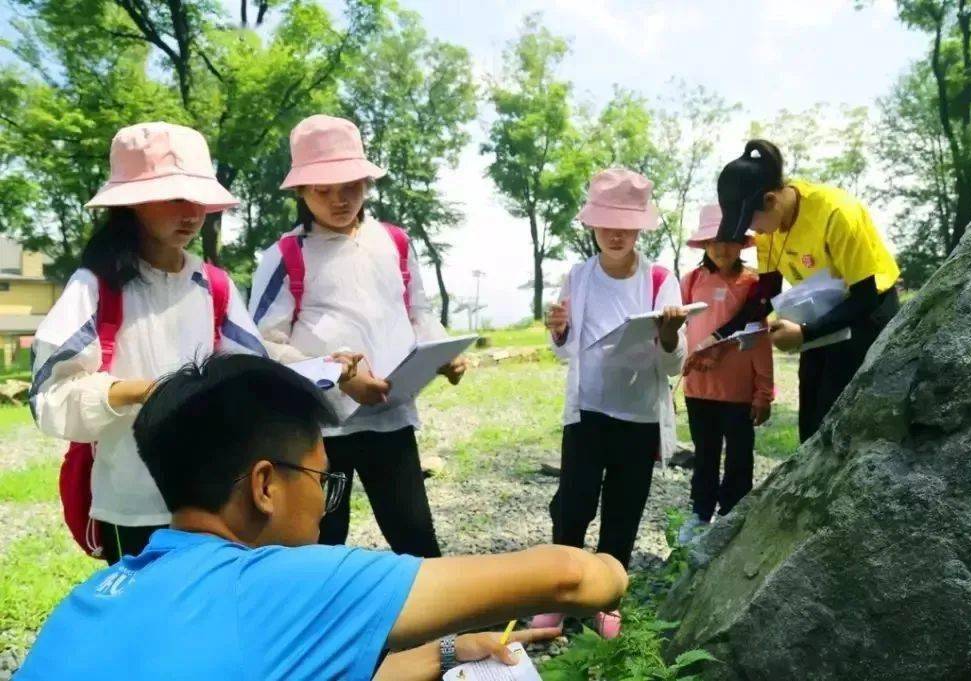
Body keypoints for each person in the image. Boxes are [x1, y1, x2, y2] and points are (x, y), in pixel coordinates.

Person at [16, 354, 628, 680]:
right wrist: (611, 567)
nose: (325, 499)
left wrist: (446, 652)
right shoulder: (280, 584)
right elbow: (575, 579)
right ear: (264, 486)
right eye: (321, 477)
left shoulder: (97, 593)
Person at [29, 122, 267, 564]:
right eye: (173, 197)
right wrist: (141, 391)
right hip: (132, 502)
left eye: (197, 198)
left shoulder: (212, 285)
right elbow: (49, 398)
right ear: (132, 203)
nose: (191, 213)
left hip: (211, 496)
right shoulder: (96, 287)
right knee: (144, 622)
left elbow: (253, 376)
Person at [249, 115, 464, 557]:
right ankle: (328, 626)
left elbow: (418, 312)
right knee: (322, 543)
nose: (338, 199)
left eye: (349, 185)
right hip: (320, 428)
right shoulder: (285, 255)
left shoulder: (395, 242)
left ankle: (434, 628)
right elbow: (262, 346)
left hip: (391, 416)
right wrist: (337, 375)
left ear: (366, 181)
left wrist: (443, 352)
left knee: (416, 538)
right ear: (300, 192)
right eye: (321, 190)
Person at [536, 168, 687, 639]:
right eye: (607, 223)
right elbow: (565, 350)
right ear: (592, 225)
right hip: (587, 412)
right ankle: (558, 595)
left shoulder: (661, 279)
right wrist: (558, 329)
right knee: (573, 505)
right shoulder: (577, 277)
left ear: (642, 226)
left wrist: (668, 335)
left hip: (638, 416)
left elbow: (674, 364)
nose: (617, 233)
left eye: (627, 223)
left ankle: (606, 600)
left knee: (624, 509)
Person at [689, 139, 900, 442]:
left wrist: (803, 333)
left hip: (867, 311)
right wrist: (719, 337)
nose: (753, 232)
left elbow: (865, 297)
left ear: (771, 200)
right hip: (819, 312)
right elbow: (765, 295)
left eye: (751, 222)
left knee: (840, 416)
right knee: (811, 416)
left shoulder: (837, 213)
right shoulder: (769, 231)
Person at [675, 205, 774, 545]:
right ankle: (700, 514)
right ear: (703, 245)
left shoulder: (753, 285)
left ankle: (732, 517)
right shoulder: (691, 282)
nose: (722, 249)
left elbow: (760, 339)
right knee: (704, 455)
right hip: (698, 389)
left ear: (741, 243)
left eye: (730, 240)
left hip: (738, 392)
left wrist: (764, 391)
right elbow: (679, 332)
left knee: (739, 457)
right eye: (714, 241)